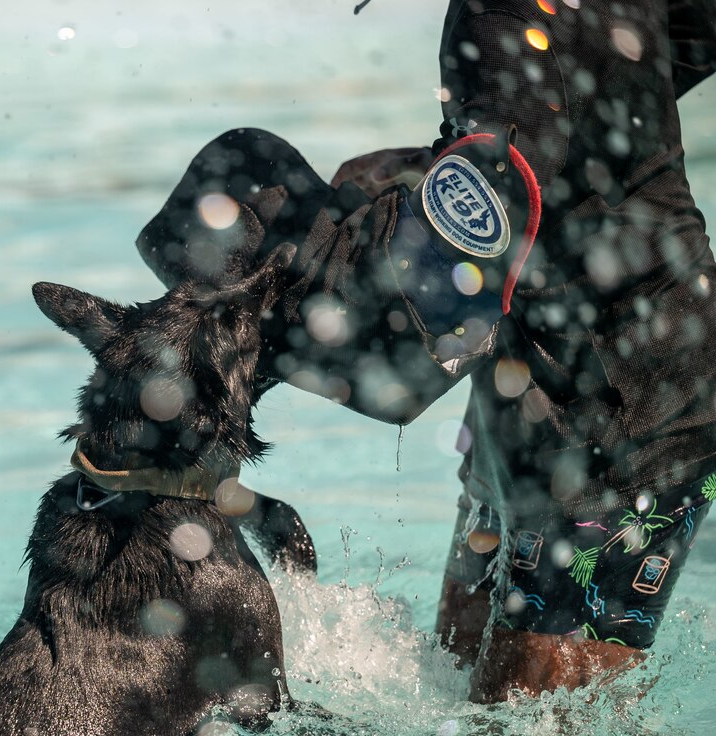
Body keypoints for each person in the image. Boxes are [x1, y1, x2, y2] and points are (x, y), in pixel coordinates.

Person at [135, 0, 716, 703]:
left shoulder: (496, 13)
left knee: (536, 724)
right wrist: (441, 165)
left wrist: (292, 260)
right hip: (528, 374)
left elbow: (416, 332)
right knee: (451, 701)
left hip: (625, 413)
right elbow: (622, 78)